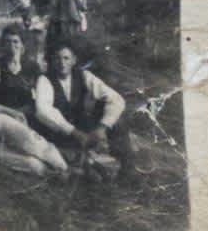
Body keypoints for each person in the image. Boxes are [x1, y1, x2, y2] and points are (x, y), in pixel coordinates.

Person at [33, 42, 137, 180]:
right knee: (89, 172)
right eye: (57, 58)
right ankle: (89, 167)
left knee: (117, 119)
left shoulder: (83, 75)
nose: (62, 63)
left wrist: (102, 127)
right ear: (52, 61)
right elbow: (43, 110)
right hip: (58, 131)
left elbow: (116, 99)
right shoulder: (44, 80)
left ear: (74, 60)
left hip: (81, 127)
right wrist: (74, 132)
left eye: (66, 58)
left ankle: (127, 169)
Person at [0, 25, 42, 112]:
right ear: (3, 44)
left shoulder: (32, 67)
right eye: (8, 41)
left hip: (27, 112)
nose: (11, 45)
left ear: (22, 44)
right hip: (4, 113)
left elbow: (40, 93)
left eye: (15, 41)